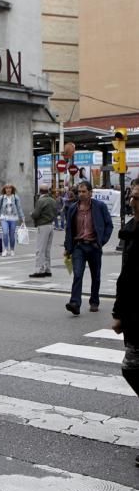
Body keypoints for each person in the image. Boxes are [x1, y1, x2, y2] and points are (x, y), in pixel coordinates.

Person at [111, 178, 139, 467]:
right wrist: (119, 313)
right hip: (133, 315)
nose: (133, 201)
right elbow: (125, 278)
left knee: (133, 366)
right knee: (131, 367)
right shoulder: (130, 230)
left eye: (138, 197)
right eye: (132, 196)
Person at [64, 180, 113, 315]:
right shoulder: (73, 208)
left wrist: (101, 242)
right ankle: (75, 303)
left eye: (84, 191)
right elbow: (68, 229)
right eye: (79, 191)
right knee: (77, 274)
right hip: (78, 246)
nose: (81, 194)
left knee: (95, 276)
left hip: (94, 246)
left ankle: (94, 301)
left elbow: (109, 225)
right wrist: (68, 248)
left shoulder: (100, 206)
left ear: (90, 193)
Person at [29, 185, 57, 278]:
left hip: (43, 225)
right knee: (47, 250)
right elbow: (56, 212)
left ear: (40, 191)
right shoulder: (52, 200)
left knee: (40, 249)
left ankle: (39, 270)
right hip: (51, 225)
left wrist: (31, 214)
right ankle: (47, 269)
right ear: (48, 191)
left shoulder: (41, 201)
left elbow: (36, 214)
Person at [0, 183, 25, 257]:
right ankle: (5, 249)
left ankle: (12, 249)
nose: (8, 189)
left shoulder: (15, 197)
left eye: (10, 188)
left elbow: (19, 207)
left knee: (11, 235)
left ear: (12, 189)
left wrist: (22, 217)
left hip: (13, 218)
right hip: (4, 217)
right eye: (6, 188)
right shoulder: (2, 197)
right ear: (4, 189)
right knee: (5, 233)